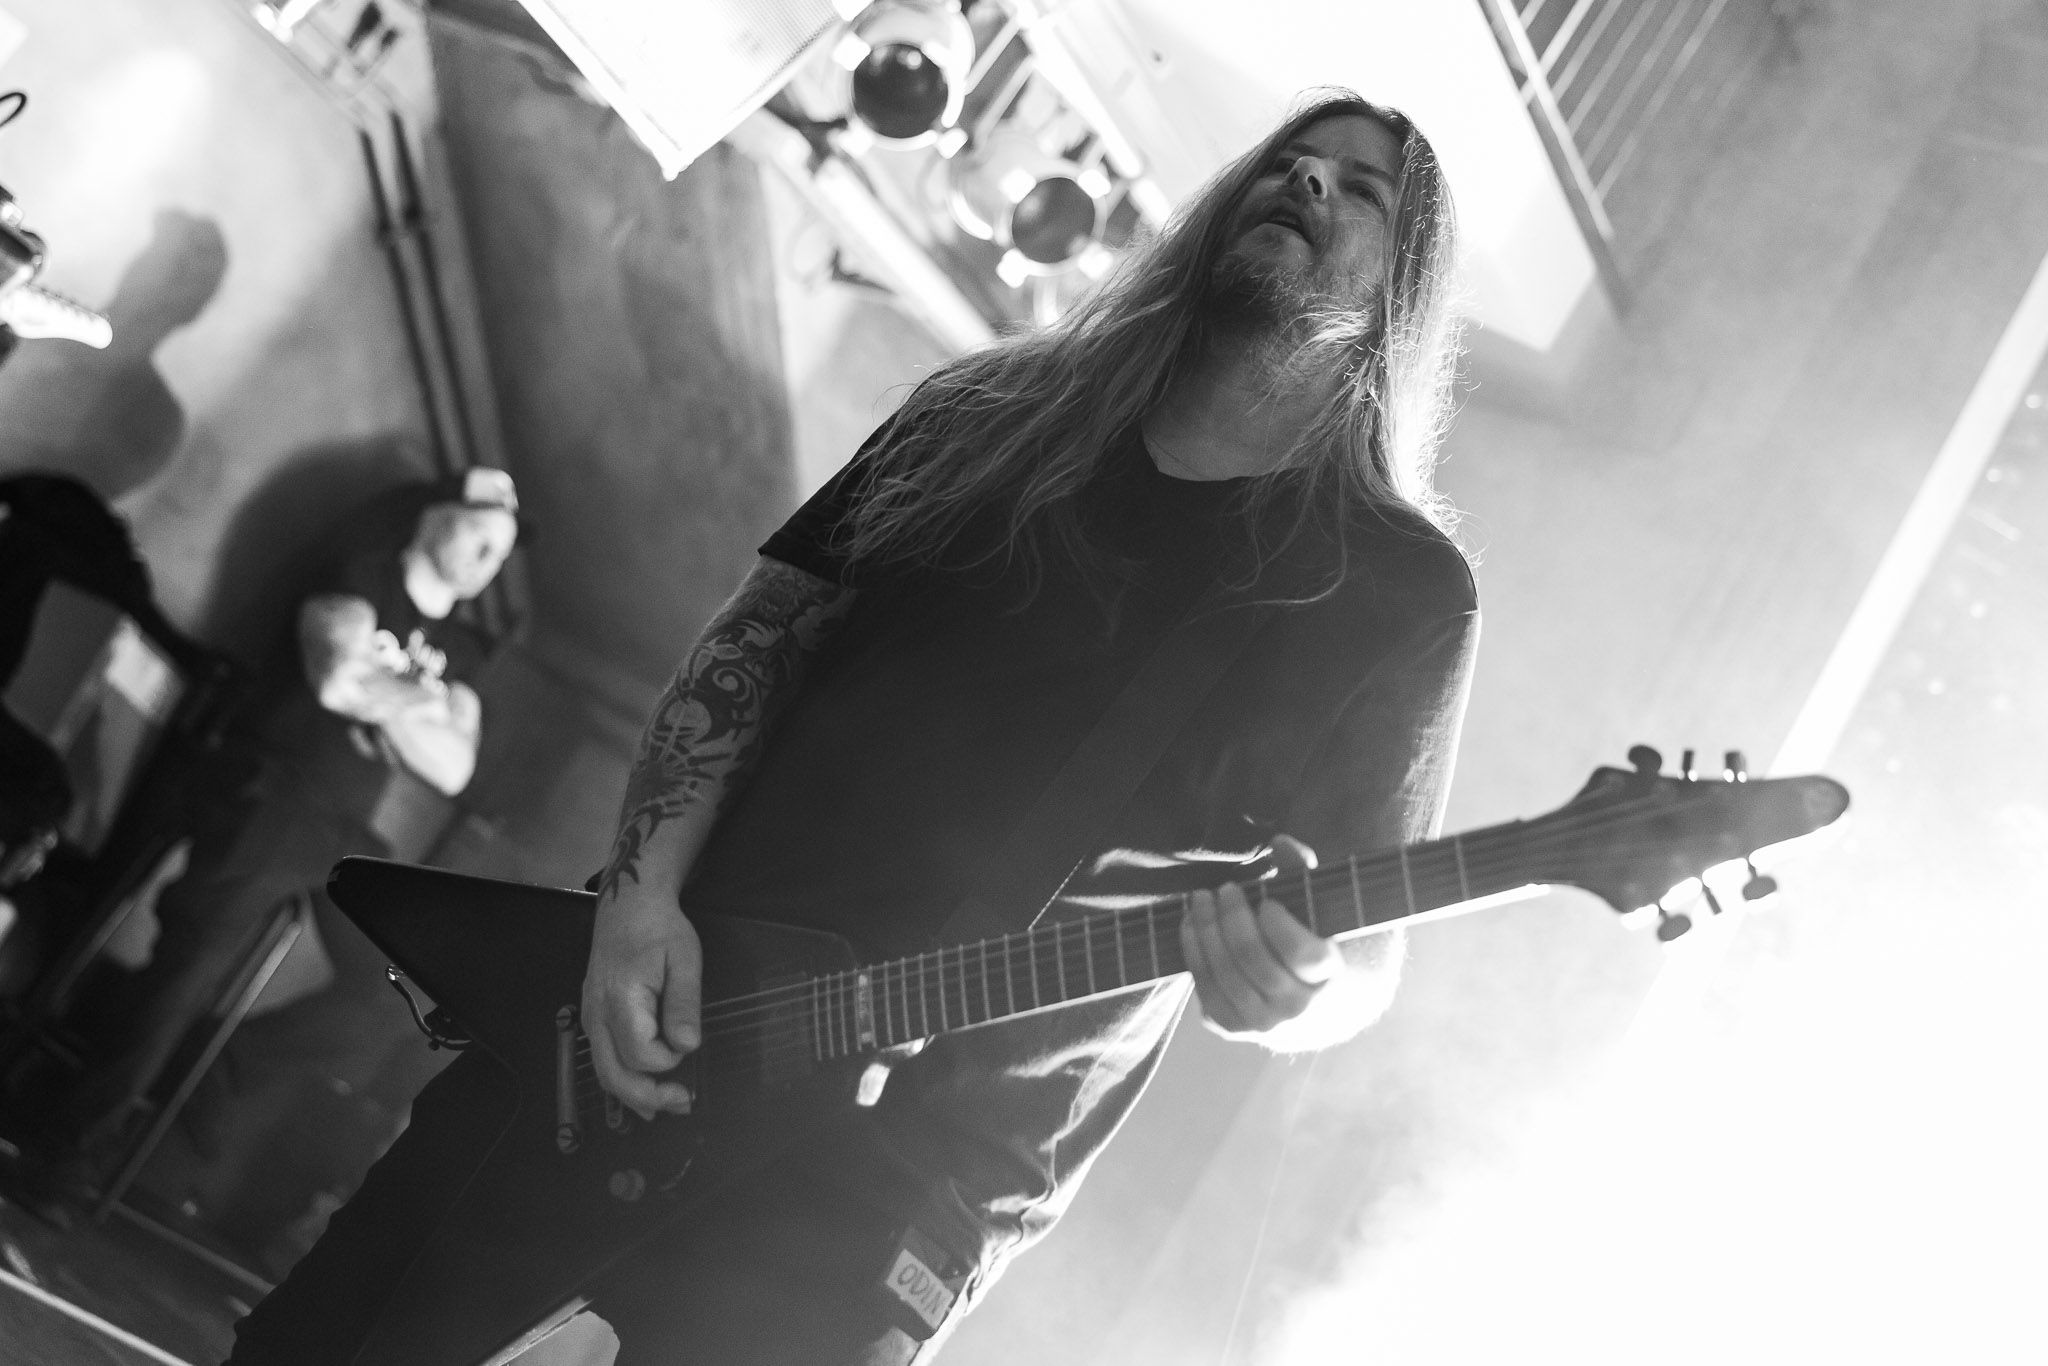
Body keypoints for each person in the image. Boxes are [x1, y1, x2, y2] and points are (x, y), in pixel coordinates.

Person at [228, 90, 1479, 1365]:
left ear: (1402, 288)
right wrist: (638, 906)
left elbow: (1362, 959)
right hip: (665, 1003)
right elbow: (751, 644)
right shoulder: (987, 414)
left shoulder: (1393, 591)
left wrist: (1296, 989)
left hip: (909, 1172)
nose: (1307, 184)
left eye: (1360, 190)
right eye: (1291, 161)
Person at [53, 467, 524, 1161]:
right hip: (273, 789)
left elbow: (454, 769)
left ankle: (212, 1068)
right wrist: (423, 705)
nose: (489, 563)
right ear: (436, 517)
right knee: (192, 967)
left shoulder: (465, 652)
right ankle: (68, 1153)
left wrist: (383, 689)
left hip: (348, 834)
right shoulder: (362, 576)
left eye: (501, 554)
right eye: (481, 538)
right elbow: (335, 681)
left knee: (412, 993)